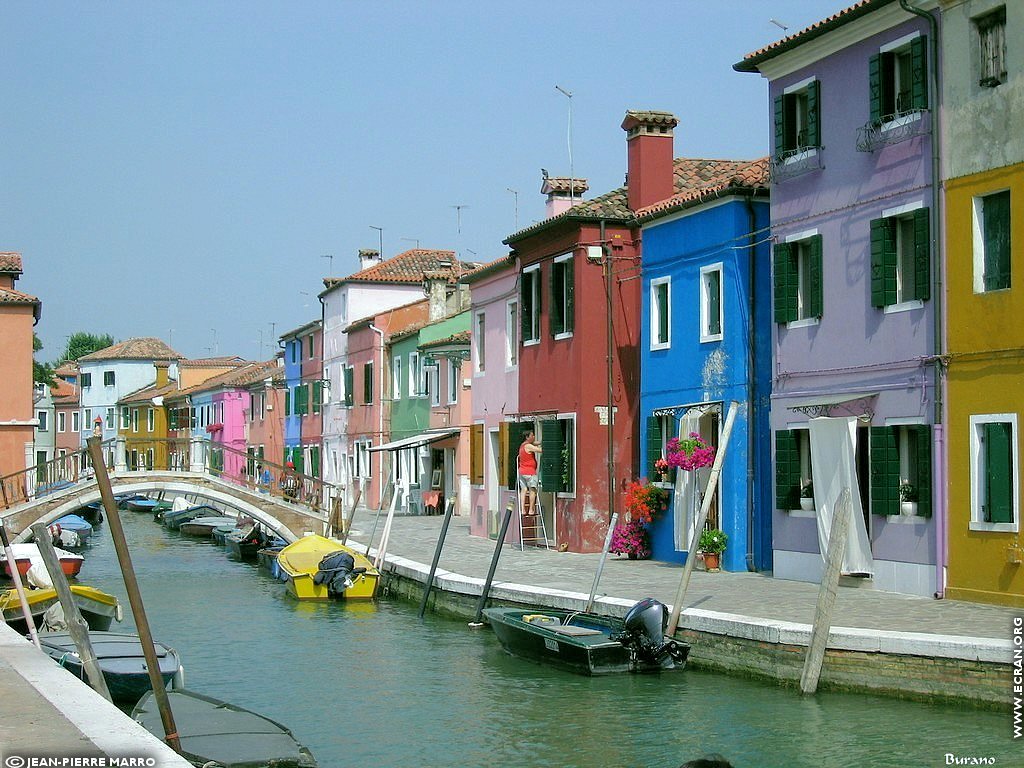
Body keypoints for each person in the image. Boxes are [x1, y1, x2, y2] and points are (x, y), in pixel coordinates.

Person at [517, 430, 542, 515]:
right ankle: (531, 510)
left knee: (523, 490)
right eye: (532, 435)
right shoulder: (528, 446)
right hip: (530, 472)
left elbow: (536, 443)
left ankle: (523, 510)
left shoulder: (523, 445)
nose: (534, 436)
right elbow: (540, 450)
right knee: (532, 490)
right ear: (527, 437)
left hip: (522, 471)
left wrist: (543, 441)